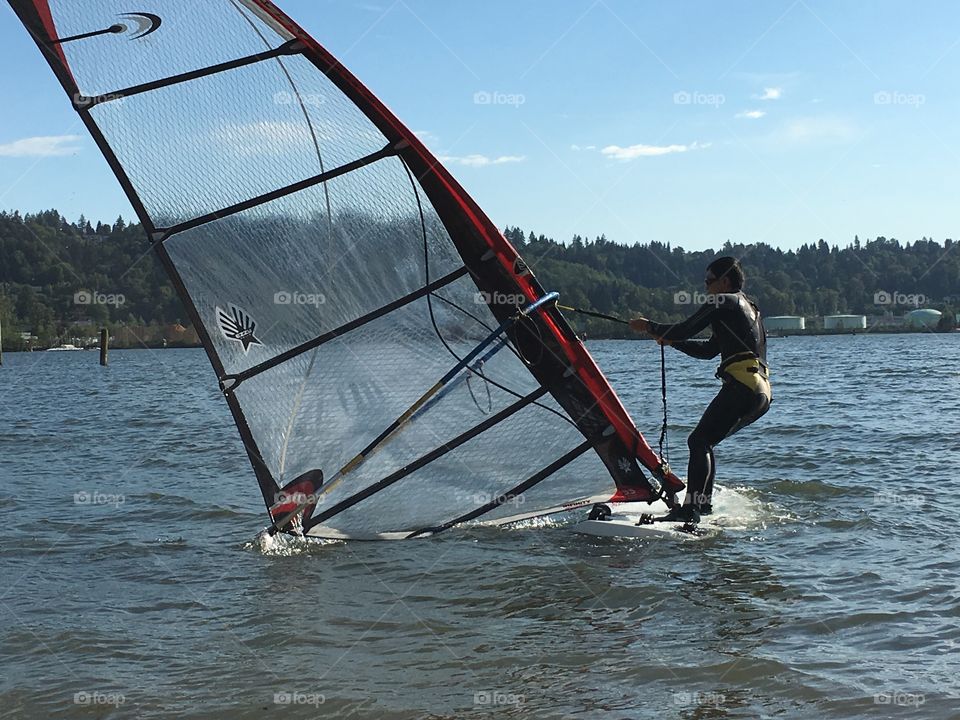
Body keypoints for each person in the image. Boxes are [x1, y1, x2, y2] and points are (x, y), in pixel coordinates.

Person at [629, 257, 771, 524]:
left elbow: (685, 328)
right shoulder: (747, 308)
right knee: (705, 442)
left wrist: (649, 326)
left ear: (725, 281)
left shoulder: (723, 301)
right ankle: (701, 507)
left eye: (709, 282)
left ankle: (690, 509)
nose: (706, 289)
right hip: (760, 391)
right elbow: (708, 351)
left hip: (744, 385)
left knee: (698, 441)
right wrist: (671, 342)